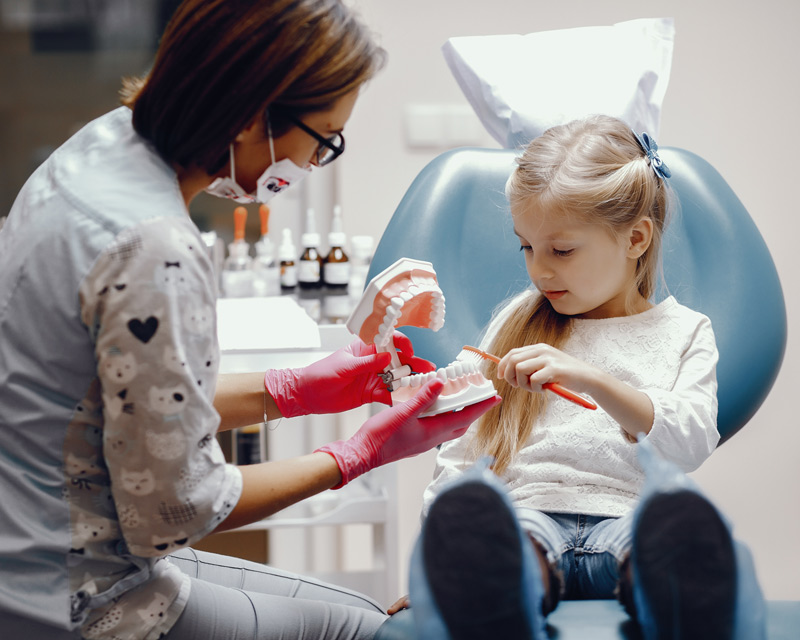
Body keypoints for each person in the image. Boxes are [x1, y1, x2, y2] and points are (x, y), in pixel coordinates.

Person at [0, 2, 500, 639]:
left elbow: (122, 405)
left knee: (369, 610)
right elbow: (178, 509)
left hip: (32, 546)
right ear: (250, 114)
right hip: (80, 599)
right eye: (321, 141)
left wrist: (293, 391)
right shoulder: (156, 250)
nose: (314, 164)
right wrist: (362, 452)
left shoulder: (96, 149)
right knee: (383, 632)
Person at [389, 115, 766, 639]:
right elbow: (462, 451)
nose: (539, 270)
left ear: (636, 238)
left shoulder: (684, 331)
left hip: (626, 517)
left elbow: (691, 444)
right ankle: (488, 592)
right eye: (527, 247)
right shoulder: (516, 322)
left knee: (666, 546)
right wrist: (437, 569)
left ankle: (683, 592)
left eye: (561, 250)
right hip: (529, 516)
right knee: (496, 545)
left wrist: (592, 378)